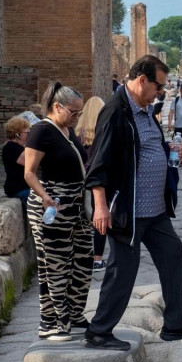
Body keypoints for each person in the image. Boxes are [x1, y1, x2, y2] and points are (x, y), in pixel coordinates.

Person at [85, 55, 182, 350]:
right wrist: (101, 206)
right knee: (123, 270)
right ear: (142, 80)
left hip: (154, 210)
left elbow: (147, 146)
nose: (162, 92)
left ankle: (175, 322)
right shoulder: (115, 112)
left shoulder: (145, 110)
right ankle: (99, 330)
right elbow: (98, 164)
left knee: (172, 252)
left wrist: (170, 149)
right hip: (128, 210)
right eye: (159, 86)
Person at [24, 82, 92, 342]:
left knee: (83, 261)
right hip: (52, 204)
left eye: (79, 112)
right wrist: (45, 197)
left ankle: (74, 313)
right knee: (55, 265)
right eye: (73, 112)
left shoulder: (67, 130)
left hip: (76, 206)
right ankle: (51, 320)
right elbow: (29, 173)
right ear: (57, 107)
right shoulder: (41, 131)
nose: (76, 116)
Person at [75, 96, 106, 271]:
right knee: (100, 217)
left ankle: (83, 255)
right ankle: (98, 258)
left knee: (85, 218)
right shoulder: (103, 132)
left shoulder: (78, 133)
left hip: (82, 178)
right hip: (99, 179)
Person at [2, 116, 32, 205]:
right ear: (17, 134)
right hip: (17, 188)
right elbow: (31, 162)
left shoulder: (20, 147)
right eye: (27, 132)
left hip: (24, 186)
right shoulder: (10, 147)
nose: (29, 134)